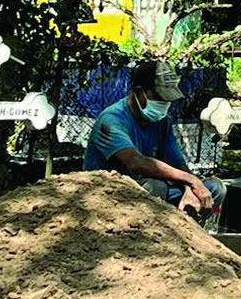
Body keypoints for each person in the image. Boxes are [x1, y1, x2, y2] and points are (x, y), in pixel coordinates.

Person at [84, 60, 225, 217]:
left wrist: (189, 188)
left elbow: (177, 163)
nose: (164, 104)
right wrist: (191, 180)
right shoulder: (111, 119)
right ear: (139, 92)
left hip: (149, 191)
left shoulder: (163, 121)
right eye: (159, 97)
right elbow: (136, 162)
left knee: (214, 188)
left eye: (168, 99)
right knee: (156, 187)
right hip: (110, 196)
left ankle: (188, 228)